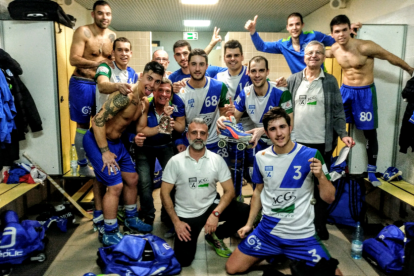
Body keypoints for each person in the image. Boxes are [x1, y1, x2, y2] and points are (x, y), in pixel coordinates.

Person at [225, 107, 341, 275]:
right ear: (266, 132)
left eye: (282, 127)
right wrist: (249, 224)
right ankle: (274, 253)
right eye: (272, 129)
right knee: (232, 268)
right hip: (268, 232)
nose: (278, 133)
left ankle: (282, 254)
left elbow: (329, 198)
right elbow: (258, 192)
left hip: (301, 236)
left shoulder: (311, 154)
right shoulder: (261, 157)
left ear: (290, 127)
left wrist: (321, 176)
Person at [83, 61, 165, 246]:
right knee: (116, 186)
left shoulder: (143, 102)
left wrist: (163, 125)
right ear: (141, 75)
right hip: (97, 141)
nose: (152, 85)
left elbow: (141, 129)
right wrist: (104, 152)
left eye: (157, 82)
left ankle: (130, 218)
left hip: (117, 143)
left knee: (133, 179)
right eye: (150, 78)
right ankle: (110, 232)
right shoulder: (124, 96)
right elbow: (97, 122)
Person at [327, 15, 414, 186]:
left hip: (364, 93)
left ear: (349, 30)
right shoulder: (334, 49)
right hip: (345, 91)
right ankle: (332, 165)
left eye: (344, 29)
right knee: (333, 126)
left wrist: (411, 70)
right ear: (332, 33)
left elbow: (389, 56)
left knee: (369, 132)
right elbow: (312, 52)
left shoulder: (365, 46)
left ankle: (372, 170)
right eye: (337, 31)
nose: (341, 34)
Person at [286, 40, 354, 240]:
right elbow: (284, 108)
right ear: (304, 57)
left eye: (318, 53)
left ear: (324, 57)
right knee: (296, 186)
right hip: (296, 144)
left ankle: (319, 225)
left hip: (321, 144)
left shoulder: (330, 81)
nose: (313, 56)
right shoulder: (293, 80)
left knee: (320, 186)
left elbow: (337, 112)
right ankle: (297, 225)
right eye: (309, 53)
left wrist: (343, 134)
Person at [160, 118, 250, 267]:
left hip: (211, 206)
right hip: (187, 213)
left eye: (202, 133)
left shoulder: (217, 160)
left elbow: (229, 191)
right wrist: (177, 223)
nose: (198, 137)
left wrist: (216, 214)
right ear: (188, 135)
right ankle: (189, 232)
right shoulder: (175, 161)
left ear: (207, 136)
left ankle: (216, 235)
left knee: (245, 211)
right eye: (194, 133)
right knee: (184, 261)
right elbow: (164, 193)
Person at [92, 36, 138, 236]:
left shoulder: (132, 74)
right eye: (120, 50)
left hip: (118, 136)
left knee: (129, 178)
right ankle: (101, 219)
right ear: (113, 52)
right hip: (100, 132)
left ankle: (128, 218)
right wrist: (116, 86)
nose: (124, 53)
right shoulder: (105, 67)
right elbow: (102, 85)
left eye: (127, 50)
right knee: (107, 180)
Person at [217, 56, 294, 165]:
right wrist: (223, 119)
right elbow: (235, 118)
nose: (257, 75)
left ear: (267, 72)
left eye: (261, 70)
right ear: (248, 72)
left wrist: (263, 130)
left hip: (281, 141)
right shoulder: (245, 93)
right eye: (253, 71)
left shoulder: (281, 92)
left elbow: (290, 123)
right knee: (255, 177)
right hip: (258, 142)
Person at [69, 0, 115, 177]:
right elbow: (74, 59)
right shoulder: (83, 31)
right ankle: (81, 166)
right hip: (82, 83)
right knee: (82, 125)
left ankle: (95, 159)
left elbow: (112, 61)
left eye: (108, 14)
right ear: (93, 14)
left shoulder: (112, 36)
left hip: (101, 85)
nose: (105, 17)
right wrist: (97, 62)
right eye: (101, 13)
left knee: (100, 122)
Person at [244, 13, 360, 74]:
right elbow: (262, 46)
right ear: (287, 28)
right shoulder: (283, 45)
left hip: (320, 78)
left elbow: (335, 39)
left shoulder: (314, 35)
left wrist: (348, 31)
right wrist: (253, 31)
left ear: (302, 25)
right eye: (291, 25)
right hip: (300, 82)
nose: (295, 27)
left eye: (297, 24)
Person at [135, 78, 181, 226]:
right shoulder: (145, 103)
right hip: (145, 147)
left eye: (168, 91)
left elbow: (181, 127)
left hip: (166, 145)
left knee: (171, 181)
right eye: (160, 90)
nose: (164, 94)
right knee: (144, 182)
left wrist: (174, 126)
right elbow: (138, 129)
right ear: (154, 91)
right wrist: (163, 122)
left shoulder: (176, 104)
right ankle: (148, 214)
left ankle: (167, 215)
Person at [172, 49, 230, 157]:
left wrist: (230, 115)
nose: (197, 69)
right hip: (191, 142)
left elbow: (224, 115)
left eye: (201, 64)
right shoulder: (180, 93)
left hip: (215, 142)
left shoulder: (219, 87)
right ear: (188, 65)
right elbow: (180, 125)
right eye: (193, 64)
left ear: (207, 66)